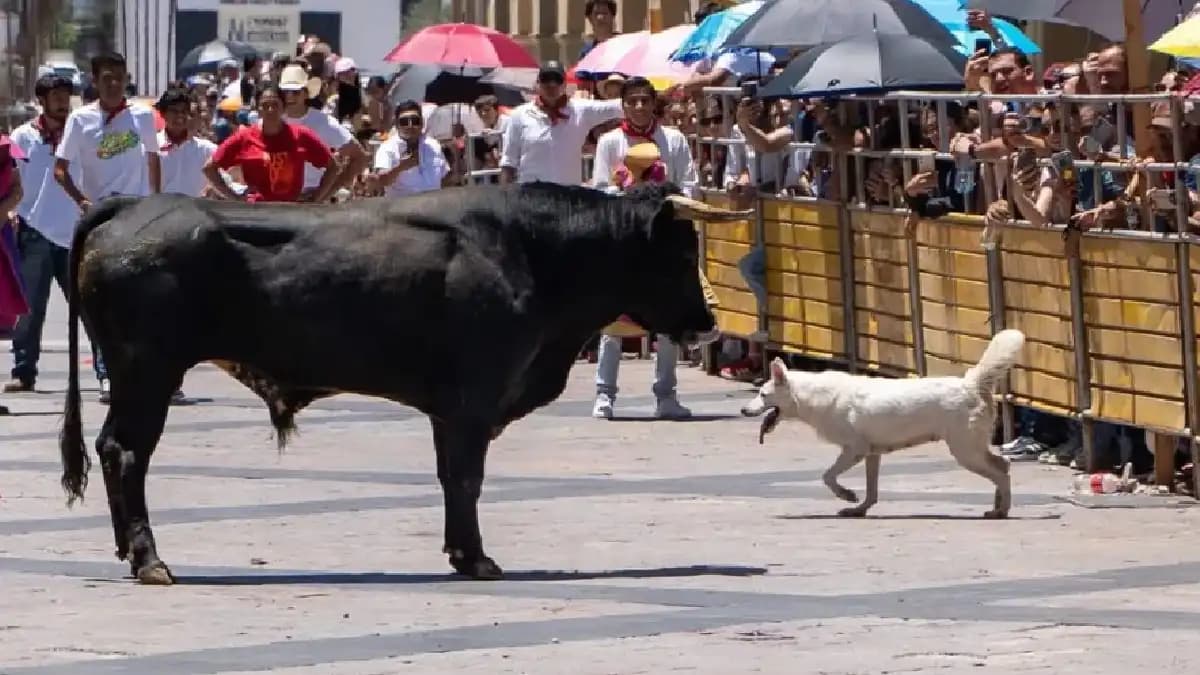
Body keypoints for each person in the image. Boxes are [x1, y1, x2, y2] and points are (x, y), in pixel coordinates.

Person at [587, 77, 703, 419]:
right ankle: (604, 394)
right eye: (632, 101)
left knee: (667, 319)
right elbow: (599, 190)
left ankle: (666, 395)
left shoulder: (674, 140)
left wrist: (665, 196)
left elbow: (690, 186)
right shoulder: (610, 141)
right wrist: (628, 188)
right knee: (613, 320)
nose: (639, 107)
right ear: (623, 105)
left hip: (664, 242)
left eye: (645, 101)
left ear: (654, 104)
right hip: (623, 242)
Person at [53, 51, 162, 404]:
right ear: (95, 81)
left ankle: (147, 374)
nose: (114, 84)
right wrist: (83, 202)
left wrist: (155, 202)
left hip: (138, 217)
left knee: (143, 301)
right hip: (100, 222)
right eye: (106, 78)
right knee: (102, 303)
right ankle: (106, 374)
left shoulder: (142, 116)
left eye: (119, 77)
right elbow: (60, 170)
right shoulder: (80, 119)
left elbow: (153, 159)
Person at [6, 74, 81, 394]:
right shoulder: (23, 136)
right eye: (56, 96)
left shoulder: (79, 133)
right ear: (42, 101)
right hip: (34, 231)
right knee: (30, 307)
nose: (63, 102)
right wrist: (11, 211)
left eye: (66, 95)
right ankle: (24, 370)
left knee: (88, 306)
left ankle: (107, 370)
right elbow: (11, 179)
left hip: (75, 231)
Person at [203, 84, 337, 204]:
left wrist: (317, 199)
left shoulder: (301, 135)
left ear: (284, 107)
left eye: (275, 105)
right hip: (256, 212)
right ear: (258, 109)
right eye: (265, 105)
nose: (270, 110)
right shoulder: (244, 137)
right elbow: (209, 168)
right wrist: (234, 198)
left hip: (292, 212)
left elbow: (333, 167)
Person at [500, 61, 623, 185]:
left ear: (565, 84)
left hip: (567, 193)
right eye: (546, 79)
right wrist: (504, 192)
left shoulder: (580, 110)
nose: (551, 84)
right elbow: (509, 160)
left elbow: (619, 107)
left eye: (557, 79)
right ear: (538, 83)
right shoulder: (520, 114)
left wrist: (633, 86)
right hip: (532, 192)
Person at [277, 64, 369, 200]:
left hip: (309, 197)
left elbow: (360, 157)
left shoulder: (323, 122)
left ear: (306, 93)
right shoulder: (271, 121)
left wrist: (324, 194)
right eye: (285, 92)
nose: (289, 97)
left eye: (295, 92)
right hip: (277, 198)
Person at [370, 100, 449, 197]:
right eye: (404, 122)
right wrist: (401, 167)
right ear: (396, 125)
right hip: (403, 206)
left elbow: (445, 178)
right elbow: (381, 181)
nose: (410, 125)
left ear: (422, 123)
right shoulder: (387, 148)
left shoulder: (434, 145)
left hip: (434, 203)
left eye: (415, 121)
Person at [156, 87, 218, 198]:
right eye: (174, 111)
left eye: (184, 111)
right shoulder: (151, 147)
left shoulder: (207, 150)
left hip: (194, 208)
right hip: (160, 207)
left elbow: (228, 176)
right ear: (163, 113)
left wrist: (212, 187)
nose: (180, 116)